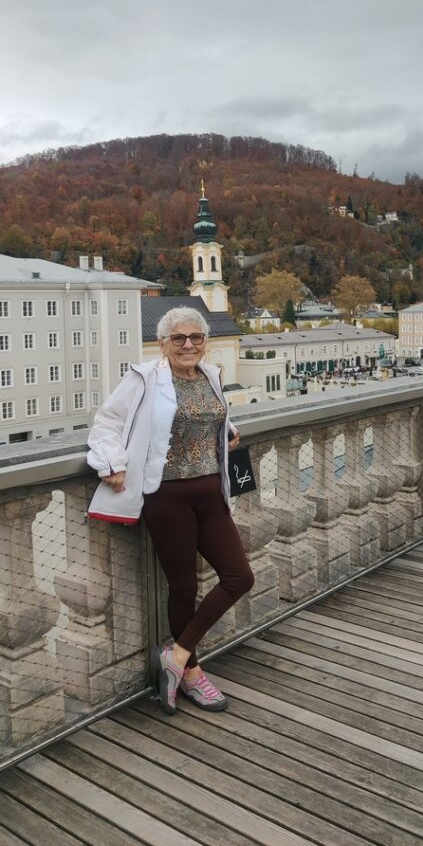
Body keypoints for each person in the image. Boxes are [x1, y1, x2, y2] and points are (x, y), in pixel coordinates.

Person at [86, 306, 254, 714]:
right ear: (163, 344)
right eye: (178, 338)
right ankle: (191, 673)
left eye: (196, 337)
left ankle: (175, 656)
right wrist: (111, 462)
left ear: (205, 342)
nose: (188, 345)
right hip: (167, 496)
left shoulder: (211, 375)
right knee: (183, 586)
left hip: (211, 493)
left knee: (239, 577)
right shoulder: (144, 378)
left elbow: (206, 418)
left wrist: (227, 431)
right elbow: (106, 423)